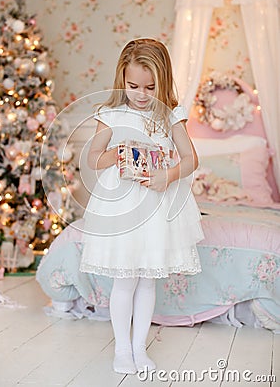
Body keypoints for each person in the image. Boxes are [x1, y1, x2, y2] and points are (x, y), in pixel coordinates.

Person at [80, 38, 205, 374]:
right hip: (121, 202)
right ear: (122, 78)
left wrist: (169, 174)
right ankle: (122, 349)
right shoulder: (110, 114)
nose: (140, 94)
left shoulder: (170, 115)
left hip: (157, 202)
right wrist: (120, 152)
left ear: (162, 82)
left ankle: (139, 348)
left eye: (150, 87)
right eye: (133, 85)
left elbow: (191, 158)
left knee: (148, 279)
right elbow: (92, 159)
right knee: (126, 278)